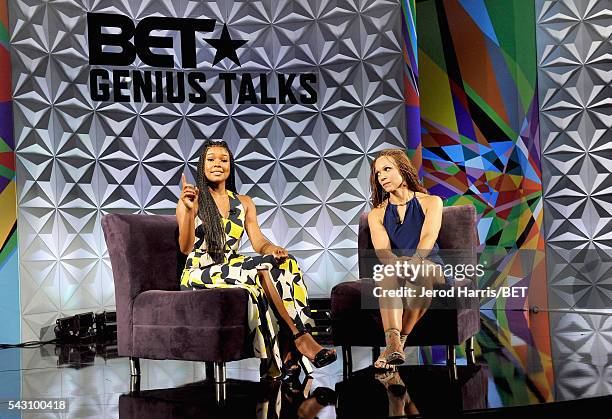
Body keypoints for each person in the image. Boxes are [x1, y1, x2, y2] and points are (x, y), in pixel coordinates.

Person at [177, 140, 336, 379]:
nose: (217, 164)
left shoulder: (244, 202)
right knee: (260, 269)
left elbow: (258, 241)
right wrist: (189, 211)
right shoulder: (192, 200)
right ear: (202, 165)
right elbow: (185, 247)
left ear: (231, 166)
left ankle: (287, 355)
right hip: (199, 271)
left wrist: (272, 248)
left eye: (224, 159)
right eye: (211, 159)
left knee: (287, 263)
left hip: (231, 265)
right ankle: (299, 338)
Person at [368, 149, 451, 369]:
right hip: (396, 265)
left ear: (403, 170)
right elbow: (383, 251)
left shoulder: (431, 202)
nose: (381, 176)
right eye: (377, 173)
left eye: (387, 169)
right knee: (387, 273)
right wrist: (398, 265)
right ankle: (394, 342)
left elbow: (428, 236)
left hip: (430, 264)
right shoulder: (376, 213)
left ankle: (396, 345)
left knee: (421, 273)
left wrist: (415, 261)